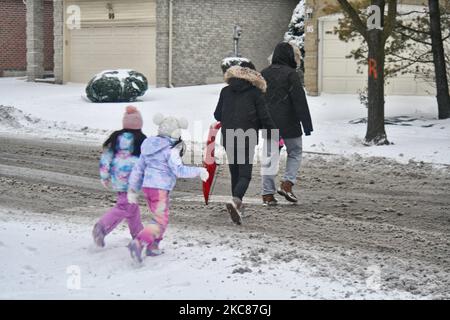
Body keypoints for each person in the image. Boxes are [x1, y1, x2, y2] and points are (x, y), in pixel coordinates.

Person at [126, 113, 209, 263]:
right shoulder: (171, 151)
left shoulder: (148, 147)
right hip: (160, 189)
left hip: (148, 188)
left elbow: (138, 169)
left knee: (159, 218)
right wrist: (199, 171)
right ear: (176, 133)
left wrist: (132, 188)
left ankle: (153, 246)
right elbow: (179, 170)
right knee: (160, 220)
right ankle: (139, 243)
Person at [214, 62, 276, 225]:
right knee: (245, 174)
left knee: (235, 173)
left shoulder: (225, 91)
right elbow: (264, 116)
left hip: (228, 136)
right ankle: (235, 202)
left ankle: (236, 205)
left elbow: (217, 114)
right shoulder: (255, 93)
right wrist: (273, 133)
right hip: (246, 137)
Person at [261, 42, 313, 205]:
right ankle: (287, 183)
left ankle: (268, 195)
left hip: (270, 124)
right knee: (295, 152)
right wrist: (307, 125)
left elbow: (258, 99)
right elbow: (299, 100)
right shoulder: (291, 74)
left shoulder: (264, 73)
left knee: (270, 158)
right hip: (289, 123)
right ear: (290, 56)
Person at [92, 106, 147, 247]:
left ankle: (138, 235)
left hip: (118, 178)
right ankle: (101, 227)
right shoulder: (142, 140)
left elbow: (106, 158)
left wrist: (104, 176)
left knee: (132, 208)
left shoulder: (115, 138)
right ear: (139, 125)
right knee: (124, 207)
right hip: (133, 180)